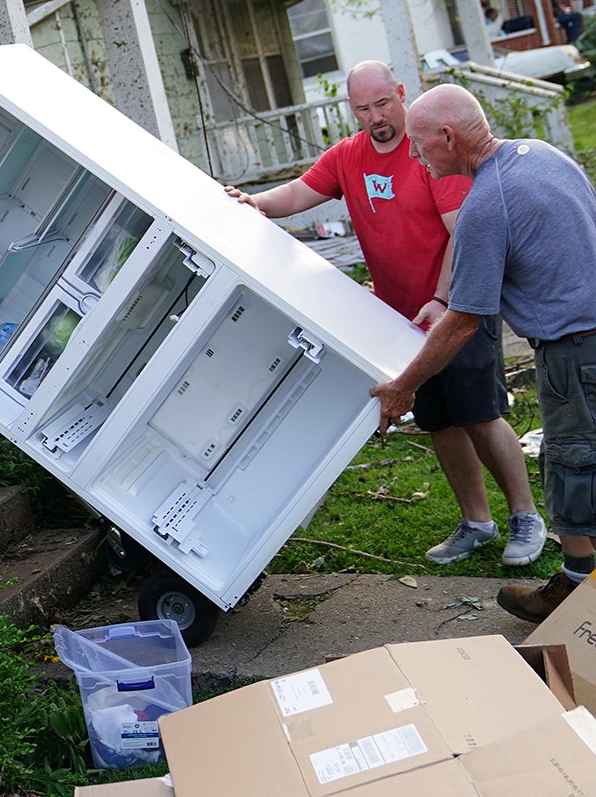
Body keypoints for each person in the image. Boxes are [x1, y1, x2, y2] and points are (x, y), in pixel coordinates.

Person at [225, 61, 546, 567]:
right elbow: (298, 193)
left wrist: (442, 300)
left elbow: (462, 233)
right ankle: (477, 523)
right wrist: (252, 203)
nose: (376, 117)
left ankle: (526, 518)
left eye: (382, 104)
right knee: (440, 420)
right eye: (363, 109)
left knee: (480, 414)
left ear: (400, 94)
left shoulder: (427, 150)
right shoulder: (347, 157)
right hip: (401, 322)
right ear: (352, 110)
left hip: (458, 310)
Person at [370, 83, 596, 623]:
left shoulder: (484, 204)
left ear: (448, 138)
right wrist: (445, 301)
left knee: (594, 489)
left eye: (420, 144)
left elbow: (463, 327)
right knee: (582, 472)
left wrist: (403, 386)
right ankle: (574, 583)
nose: (416, 155)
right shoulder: (539, 155)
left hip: (579, 355)